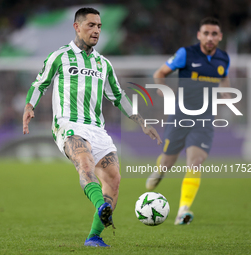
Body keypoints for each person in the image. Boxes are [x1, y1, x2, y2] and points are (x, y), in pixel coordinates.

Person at [23, 7, 162, 247]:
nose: (96, 30)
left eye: (99, 26)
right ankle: (102, 207)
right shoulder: (60, 56)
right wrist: (29, 105)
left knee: (114, 179)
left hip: (97, 129)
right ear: (77, 27)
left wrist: (142, 122)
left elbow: (118, 96)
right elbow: (40, 83)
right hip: (68, 124)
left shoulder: (104, 64)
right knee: (84, 164)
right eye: (91, 25)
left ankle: (94, 237)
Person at [146, 17, 231, 225]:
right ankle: (160, 169)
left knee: (195, 161)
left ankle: (183, 210)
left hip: (205, 118)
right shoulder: (186, 53)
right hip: (180, 115)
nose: (210, 38)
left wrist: (226, 94)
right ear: (199, 35)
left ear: (220, 37)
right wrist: (163, 89)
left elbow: (224, 80)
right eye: (206, 33)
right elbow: (160, 73)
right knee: (168, 161)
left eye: (214, 34)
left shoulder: (224, 59)